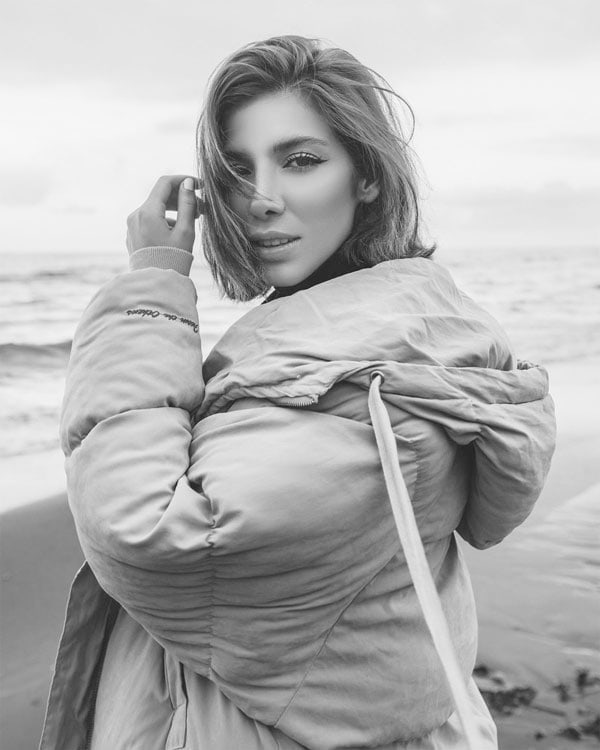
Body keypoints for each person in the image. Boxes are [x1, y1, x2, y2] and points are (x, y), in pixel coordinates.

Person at [40, 35, 556, 750]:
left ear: (367, 176)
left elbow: (147, 535)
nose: (261, 199)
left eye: (301, 160)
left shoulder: (368, 384)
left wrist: (152, 290)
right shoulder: (365, 337)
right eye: (237, 170)